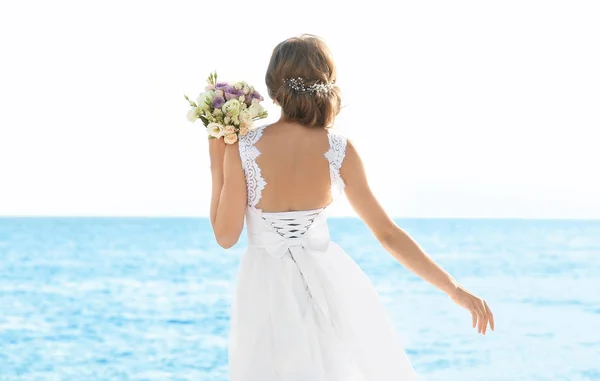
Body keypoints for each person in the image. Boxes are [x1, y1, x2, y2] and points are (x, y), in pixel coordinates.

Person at [208, 34, 494, 381]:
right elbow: (388, 234)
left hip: (264, 290)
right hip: (332, 284)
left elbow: (225, 237)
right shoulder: (340, 149)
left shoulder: (244, 147)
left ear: (272, 88)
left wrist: (217, 163)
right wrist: (454, 289)